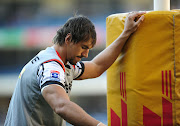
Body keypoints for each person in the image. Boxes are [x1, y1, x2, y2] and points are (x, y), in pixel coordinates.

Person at [4, 11, 145, 126]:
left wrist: (126, 33)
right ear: (68, 39)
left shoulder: (62, 62)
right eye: (84, 47)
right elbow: (61, 106)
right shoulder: (50, 66)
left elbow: (97, 67)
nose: (86, 54)